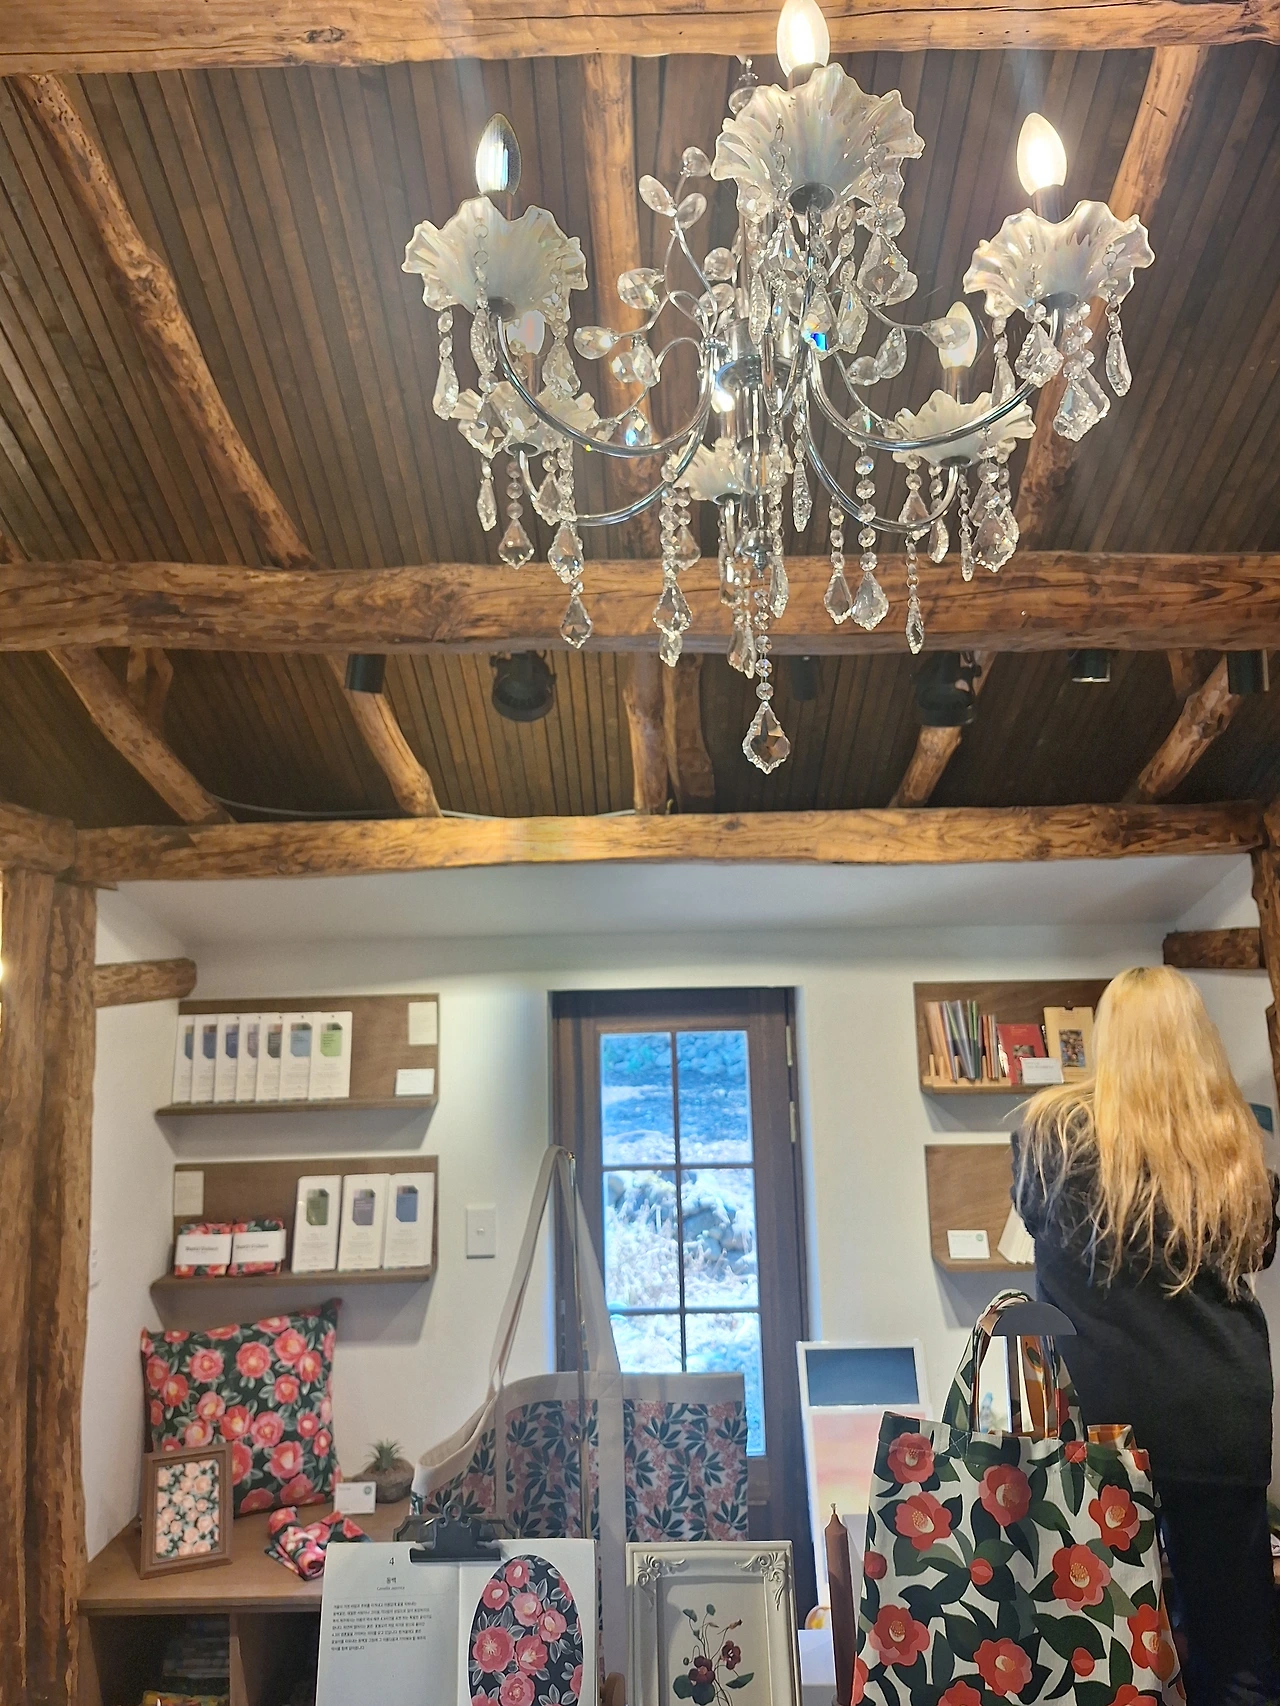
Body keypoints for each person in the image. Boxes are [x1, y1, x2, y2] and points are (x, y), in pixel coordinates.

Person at [1013, 965, 1279, 1706]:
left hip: (1105, 1427)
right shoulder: (1232, 1144)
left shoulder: (1055, 1133)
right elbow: (1260, 1249)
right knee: (1237, 1649)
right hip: (1220, 1415)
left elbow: (1033, 1218)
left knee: (1094, 1647)